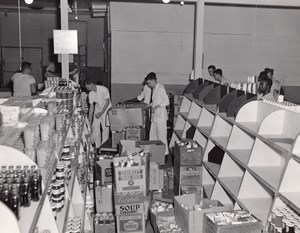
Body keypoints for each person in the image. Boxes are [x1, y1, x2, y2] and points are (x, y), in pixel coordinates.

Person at [145, 72, 169, 155]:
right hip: (155, 117)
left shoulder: (160, 88)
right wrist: (150, 105)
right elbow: (157, 101)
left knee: (161, 137)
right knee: (153, 136)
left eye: (149, 83)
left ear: (153, 80)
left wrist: (155, 107)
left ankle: (165, 155)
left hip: (160, 117)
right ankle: (155, 154)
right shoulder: (155, 88)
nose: (148, 85)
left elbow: (166, 101)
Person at [85, 79, 112, 151]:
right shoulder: (90, 94)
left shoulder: (104, 89)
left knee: (105, 128)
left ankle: (104, 147)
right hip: (97, 110)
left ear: (91, 85)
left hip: (106, 110)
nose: (87, 89)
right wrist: (89, 119)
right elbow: (91, 107)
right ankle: (97, 146)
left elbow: (107, 102)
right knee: (95, 127)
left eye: (88, 87)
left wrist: (102, 112)